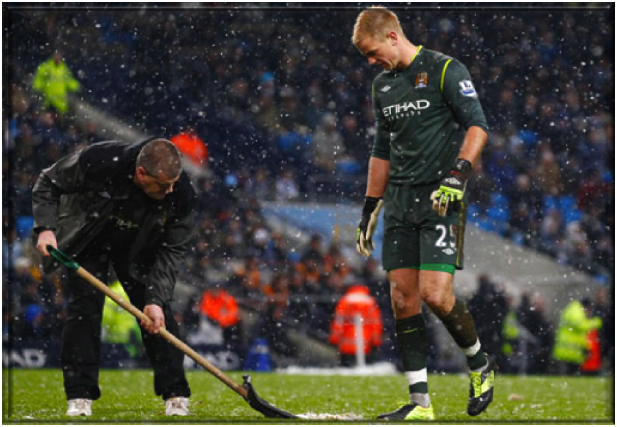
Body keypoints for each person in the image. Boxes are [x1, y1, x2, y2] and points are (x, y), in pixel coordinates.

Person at [353, 7, 494, 420]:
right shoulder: (383, 86)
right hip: (399, 203)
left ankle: (480, 363)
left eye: (372, 51)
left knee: (435, 294)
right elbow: (382, 150)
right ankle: (420, 403)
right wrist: (369, 207)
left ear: (393, 36)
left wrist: (457, 176)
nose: (370, 61)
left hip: (440, 199)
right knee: (402, 298)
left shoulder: (445, 69)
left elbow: (477, 127)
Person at [32, 138, 196, 417]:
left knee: (157, 314)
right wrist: (46, 229)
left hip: (139, 246)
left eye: (173, 183)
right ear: (141, 173)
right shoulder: (101, 160)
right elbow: (48, 182)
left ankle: (176, 394)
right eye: (162, 185)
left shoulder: (181, 193)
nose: (170, 190)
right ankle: (80, 396)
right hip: (90, 236)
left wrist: (155, 299)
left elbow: (172, 252)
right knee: (84, 309)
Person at [329, 284, 383, 367]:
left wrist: (334, 339)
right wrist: (376, 341)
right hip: (365, 341)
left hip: (346, 341)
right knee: (365, 367)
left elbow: (338, 322)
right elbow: (376, 323)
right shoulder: (370, 302)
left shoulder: (345, 301)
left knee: (346, 368)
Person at [552, 298, 602, 375]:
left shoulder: (573, 309)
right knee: (568, 375)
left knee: (568, 375)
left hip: (569, 352)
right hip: (568, 352)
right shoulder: (576, 310)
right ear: (586, 307)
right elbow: (580, 325)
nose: (588, 313)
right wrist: (596, 322)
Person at [32, 50, 80, 116]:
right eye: (56, 55)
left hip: (60, 102)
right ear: (53, 56)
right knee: (47, 119)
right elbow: (38, 78)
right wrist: (37, 87)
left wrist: (76, 86)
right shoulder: (46, 67)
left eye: (60, 56)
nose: (58, 57)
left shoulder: (64, 69)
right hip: (48, 100)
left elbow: (69, 80)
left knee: (58, 121)